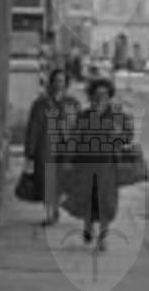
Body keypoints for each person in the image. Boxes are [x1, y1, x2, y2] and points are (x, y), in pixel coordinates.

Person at [65, 74, 133, 249]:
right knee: (87, 197)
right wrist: (69, 160)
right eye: (96, 95)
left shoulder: (117, 117)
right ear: (91, 97)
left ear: (109, 96)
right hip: (85, 163)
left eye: (104, 95)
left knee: (105, 200)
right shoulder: (84, 116)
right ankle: (88, 227)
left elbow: (128, 136)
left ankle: (103, 237)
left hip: (107, 164)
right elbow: (74, 139)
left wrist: (119, 135)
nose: (100, 98)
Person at [25, 66, 75, 225]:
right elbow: (33, 126)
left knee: (60, 181)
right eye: (56, 81)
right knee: (47, 180)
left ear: (66, 83)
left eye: (62, 81)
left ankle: (55, 208)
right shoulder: (41, 103)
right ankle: (50, 213)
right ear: (51, 82)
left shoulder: (72, 103)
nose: (59, 84)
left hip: (65, 148)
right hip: (46, 146)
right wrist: (30, 150)